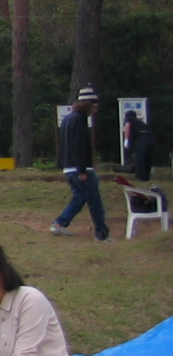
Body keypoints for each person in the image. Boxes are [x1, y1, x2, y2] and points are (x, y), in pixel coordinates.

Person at [50, 85, 110, 241]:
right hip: (80, 168)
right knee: (95, 202)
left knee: (79, 198)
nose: (96, 109)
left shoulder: (68, 119)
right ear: (88, 105)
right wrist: (82, 170)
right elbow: (78, 147)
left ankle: (60, 223)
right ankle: (101, 234)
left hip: (69, 167)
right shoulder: (78, 121)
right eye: (94, 106)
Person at [124, 109, 156, 182]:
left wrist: (126, 139)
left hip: (141, 138)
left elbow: (127, 126)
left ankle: (141, 178)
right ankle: (146, 178)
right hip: (151, 138)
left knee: (140, 158)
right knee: (147, 159)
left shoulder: (129, 119)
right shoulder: (141, 122)